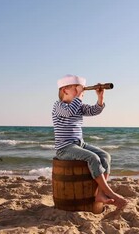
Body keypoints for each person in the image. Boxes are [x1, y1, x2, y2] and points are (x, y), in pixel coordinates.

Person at [52, 74, 127, 209]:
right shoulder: (59, 106)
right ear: (64, 90)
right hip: (65, 148)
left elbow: (94, 111)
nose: (81, 92)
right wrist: (79, 96)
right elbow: (70, 112)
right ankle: (109, 192)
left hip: (79, 144)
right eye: (77, 88)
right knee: (92, 157)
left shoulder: (77, 105)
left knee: (105, 156)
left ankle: (100, 193)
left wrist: (100, 97)